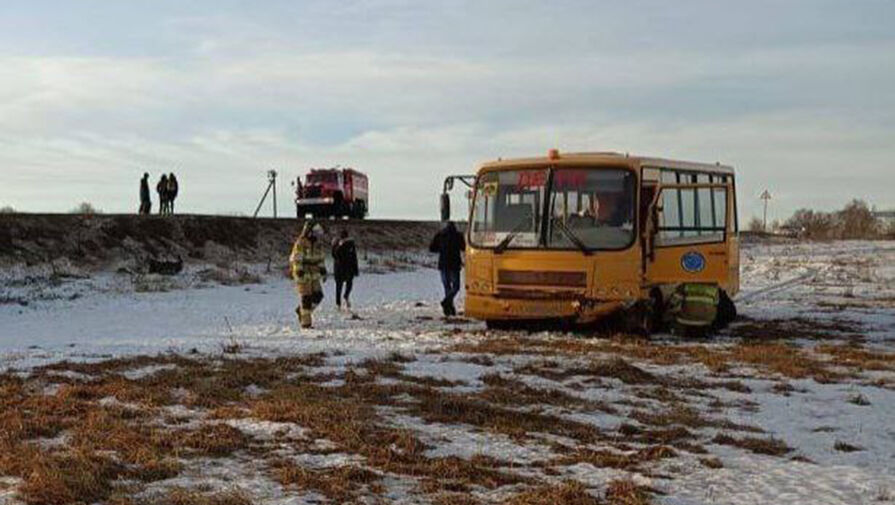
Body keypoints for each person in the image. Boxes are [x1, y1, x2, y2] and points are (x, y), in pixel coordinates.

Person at [290, 223, 327, 329]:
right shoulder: (300, 243)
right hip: (303, 273)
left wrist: (323, 270)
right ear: (309, 232)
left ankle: (301, 311)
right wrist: (298, 270)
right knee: (306, 297)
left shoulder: (317, 244)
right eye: (316, 232)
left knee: (318, 296)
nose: (317, 235)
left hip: (314, 273)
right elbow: (297, 258)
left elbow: (320, 258)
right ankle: (306, 323)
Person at [429, 221, 465, 317]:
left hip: (443, 264)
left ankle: (448, 308)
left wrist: (441, 249)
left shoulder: (440, 235)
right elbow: (464, 247)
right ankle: (447, 304)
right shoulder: (458, 236)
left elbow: (432, 248)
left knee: (447, 287)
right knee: (456, 287)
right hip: (454, 264)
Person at [332, 229, 359, 311]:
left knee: (349, 284)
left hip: (349, 267)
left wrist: (356, 269)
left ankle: (346, 296)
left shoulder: (351, 244)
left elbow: (354, 256)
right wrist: (339, 245)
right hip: (339, 268)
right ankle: (338, 304)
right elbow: (334, 255)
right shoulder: (336, 243)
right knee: (338, 286)